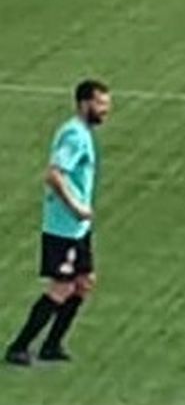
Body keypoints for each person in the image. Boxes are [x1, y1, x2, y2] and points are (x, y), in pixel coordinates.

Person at [7, 79, 112, 366]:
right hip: (64, 228)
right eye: (100, 104)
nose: (105, 110)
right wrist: (77, 206)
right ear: (84, 103)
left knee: (84, 282)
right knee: (61, 288)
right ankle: (19, 346)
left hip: (78, 228)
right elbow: (54, 175)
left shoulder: (83, 133)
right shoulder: (74, 135)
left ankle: (52, 345)